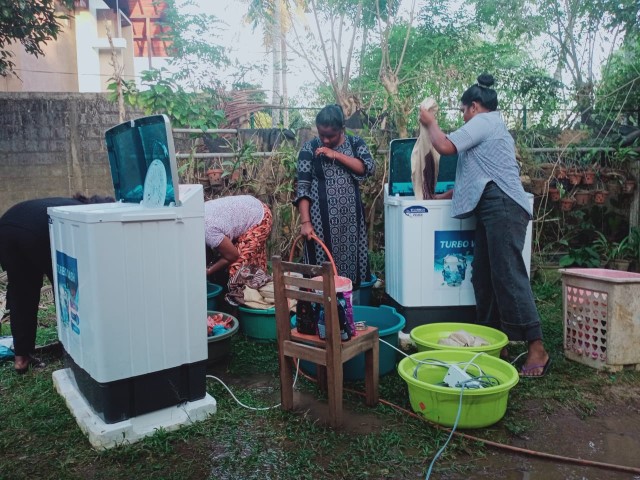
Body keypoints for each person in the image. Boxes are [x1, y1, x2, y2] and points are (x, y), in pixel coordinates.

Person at [418, 73, 551, 377]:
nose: (463, 116)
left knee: (507, 274)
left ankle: (537, 347)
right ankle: (495, 342)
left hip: (502, 205)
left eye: (463, 110)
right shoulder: (490, 127)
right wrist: (444, 195)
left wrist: (430, 122)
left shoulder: (485, 121)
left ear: (475, 106)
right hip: (492, 206)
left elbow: (445, 146)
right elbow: (478, 175)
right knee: (483, 275)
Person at [0, 193, 115, 374]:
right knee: (66, 287)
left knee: (21, 294)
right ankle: (71, 351)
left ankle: (21, 358)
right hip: (36, 233)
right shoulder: (84, 214)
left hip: (7, 227)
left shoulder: (69, 204)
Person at [294, 104, 375, 289]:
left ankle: (348, 304)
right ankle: (318, 306)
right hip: (319, 224)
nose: (325, 140)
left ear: (342, 129)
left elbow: (368, 167)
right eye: (321, 134)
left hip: (350, 223)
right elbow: (303, 188)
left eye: (331, 135)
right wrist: (306, 222)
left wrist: (335, 155)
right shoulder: (309, 149)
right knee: (319, 273)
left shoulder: (355, 143)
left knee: (350, 272)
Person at [204, 195, 272, 277]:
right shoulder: (196, 214)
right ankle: (258, 279)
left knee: (237, 268)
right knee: (251, 260)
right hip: (249, 205)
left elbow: (232, 256)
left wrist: (209, 271)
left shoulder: (208, 232)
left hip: (259, 218)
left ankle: (253, 282)